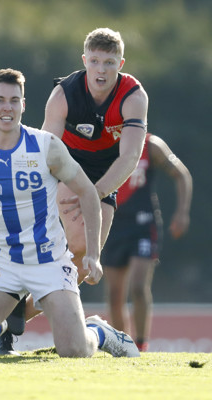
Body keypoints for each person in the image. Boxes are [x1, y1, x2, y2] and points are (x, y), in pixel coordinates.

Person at [0, 68, 139, 358]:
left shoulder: (46, 146)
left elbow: (88, 192)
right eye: (0, 100)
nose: (7, 107)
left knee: (75, 350)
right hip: (1, 264)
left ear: (23, 105)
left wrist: (92, 254)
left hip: (48, 262)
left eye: (14, 100)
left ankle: (98, 331)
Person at [41, 27, 149, 283]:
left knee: (86, 265)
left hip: (105, 172)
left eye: (109, 63)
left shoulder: (133, 97)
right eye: (95, 61)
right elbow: (45, 150)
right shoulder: (63, 94)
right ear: (84, 61)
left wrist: (94, 193)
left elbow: (130, 157)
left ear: (120, 64)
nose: (101, 69)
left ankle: (22, 313)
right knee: (78, 242)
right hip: (68, 166)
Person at [101, 133, 192, 352]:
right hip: (112, 224)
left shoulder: (151, 145)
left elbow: (181, 175)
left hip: (143, 224)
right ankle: (121, 348)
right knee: (114, 294)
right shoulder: (101, 144)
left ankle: (141, 345)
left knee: (138, 286)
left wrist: (182, 212)